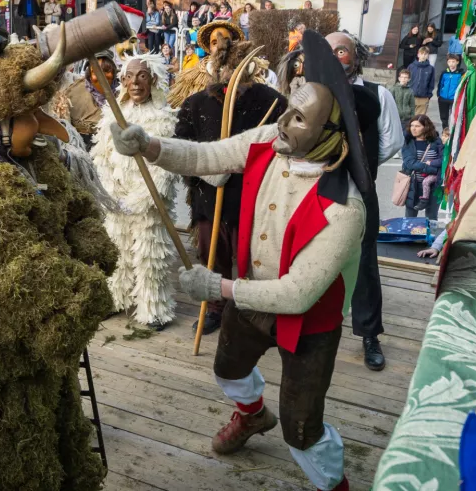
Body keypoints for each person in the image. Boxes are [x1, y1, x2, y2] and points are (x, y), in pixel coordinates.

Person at [111, 31, 370, 491]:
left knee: (302, 430)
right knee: (227, 369)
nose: (283, 123)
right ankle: (252, 416)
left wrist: (218, 288)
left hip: (309, 322)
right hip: (250, 296)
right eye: (289, 107)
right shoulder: (271, 139)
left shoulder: (345, 209)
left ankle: (336, 486)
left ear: (331, 133)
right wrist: (149, 145)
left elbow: (296, 294)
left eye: (299, 119)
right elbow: (205, 155)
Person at [175, 40, 287, 335]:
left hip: (254, 199)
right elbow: (182, 147)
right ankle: (215, 308)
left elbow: (286, 149)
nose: (234, 76)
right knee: (213, 253)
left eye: (241, 70)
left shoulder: (272, 102)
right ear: (218, 69)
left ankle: (251, 310)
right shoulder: (196, 103)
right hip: (209, 199)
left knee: (255, 257)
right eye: (228, 68)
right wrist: (204, 173)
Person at [325, 31, 403, 373]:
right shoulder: (312, 92)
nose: (335, 56)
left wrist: (363, 165)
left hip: (361, 188)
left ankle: (370, 335)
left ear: (355, 56)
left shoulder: (378, 94)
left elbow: (393, 141)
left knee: (365, 262)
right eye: (329, 51)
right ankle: (313, 329)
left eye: (341, 50)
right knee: (316, 256)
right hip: (321, 189)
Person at [91, 54, 178, 330]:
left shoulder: (163, 118)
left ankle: (153, 309)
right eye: (129, 77)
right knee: (118, 251)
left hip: (148, 203)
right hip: (117, 200)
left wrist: (140, 200)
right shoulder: (113, 115)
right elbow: (101, 156)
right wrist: (111, 193)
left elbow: (164, 166)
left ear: (153, 80)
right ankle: (115, 298)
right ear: (123, 81)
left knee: (150, 255)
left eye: (142, 76)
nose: (135, 83)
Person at [168, 20, 245, 109]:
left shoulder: (246, 70)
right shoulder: (194, 76)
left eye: (225, 40)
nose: (220, 46)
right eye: (214, 43)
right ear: (209, 47)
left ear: (233, 42)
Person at [402, 114, 443, 218]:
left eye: (417, 126)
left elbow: (444, 160)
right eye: (412, 125)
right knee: (410, 218)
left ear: (426, 127)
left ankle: (430, 234)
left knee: (432, 218)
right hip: (413, 185)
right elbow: (410, 163)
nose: (413, 129)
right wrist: (433, 169)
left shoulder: (436, 141)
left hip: (434, 185)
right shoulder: (408, 142)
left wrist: (434, 167)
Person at [436, 55, 463, 130]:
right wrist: (439, 94)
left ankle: (453, 131)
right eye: (449, 62)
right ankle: (445, 131)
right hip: (443, 98)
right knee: (444, 117)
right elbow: (440, 84)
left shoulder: (460, 73)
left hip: (454, 98)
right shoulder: (444, 73)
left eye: (453, 61)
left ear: (457, 62)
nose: (451, 63)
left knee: (454, 116)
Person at [409, 46, 435, 116]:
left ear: (428, 55)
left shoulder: (431, 68)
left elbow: (431, 83)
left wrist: (428, 96)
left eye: (425, 54)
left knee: (419, 119)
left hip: (423, 97)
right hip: (410, 96)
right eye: (422, 54)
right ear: (418, 55)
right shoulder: (411, 66)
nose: (423, 56)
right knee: (408, 118)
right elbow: (407, 80)